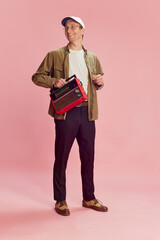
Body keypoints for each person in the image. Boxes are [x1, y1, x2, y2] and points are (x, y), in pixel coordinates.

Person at [32, 16, 108, 216]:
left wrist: (99, 82)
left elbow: (98, 84)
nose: (69, 31)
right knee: (62, 156)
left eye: (74, 27)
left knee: (88, 156)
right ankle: (60, 200)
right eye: (66, 28)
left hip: (88, 112)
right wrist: (54, 81)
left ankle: (89, 197)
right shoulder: (55, 55)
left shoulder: (92, 57)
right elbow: (37, 77)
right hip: (66, 112)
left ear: (83, 30)